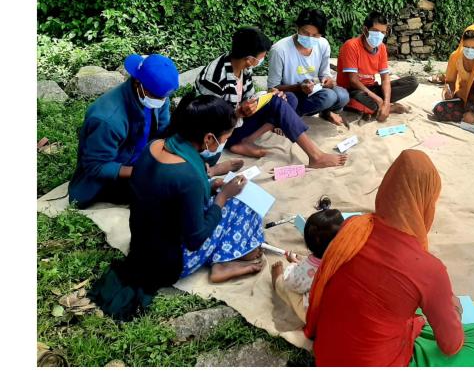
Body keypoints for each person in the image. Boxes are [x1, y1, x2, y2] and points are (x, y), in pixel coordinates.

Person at [303, 150, 474, 367]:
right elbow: (451, 345)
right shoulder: (429, 269)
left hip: (327, 356)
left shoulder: (353, 227)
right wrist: (455, 309)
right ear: (425, 200)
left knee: (412, 309)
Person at [89, 95, 267, 320]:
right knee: (241, 204)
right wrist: (222, 195)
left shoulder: (154, 146)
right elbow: (195, 239)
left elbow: (165, 193)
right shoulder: (188, 176)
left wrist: (210, 187)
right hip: (170, 263)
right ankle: (225, 261)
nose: (224, 143)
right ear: (209, 138)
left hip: (142, 246)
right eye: (225, 137)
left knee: (223, 199)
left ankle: (231, 254)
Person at [196, 26, 347, 168]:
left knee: (288, 98)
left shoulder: (242, 66)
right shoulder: (213, 78)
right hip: (221, 134)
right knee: (278, 102)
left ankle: (245, 141)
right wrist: (238, 113)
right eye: (262, 56)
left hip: (237, 119)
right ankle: (316, 156)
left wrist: (265, 97)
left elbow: (248, 97)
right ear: (249, 59)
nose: (263, 59)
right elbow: (211, 123)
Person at [69, 53, 179, 208]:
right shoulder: (107, 119)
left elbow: (163, 132)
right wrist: (143, 173)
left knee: (179, 177)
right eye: (156, 96)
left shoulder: (158, 97)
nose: (161, 101)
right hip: (109, 178)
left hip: (139, 158)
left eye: (164, 97)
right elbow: (96, 166)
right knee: (163, 193)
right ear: (137, 83)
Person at [267, 9, 350, 126]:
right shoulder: (280, 50)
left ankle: (325, 112)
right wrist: (299, 87)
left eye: (315, 35)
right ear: (297, 28)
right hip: (289, 95)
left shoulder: (323, 44)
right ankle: (292, 114)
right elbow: (272, 88)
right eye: (305, 33)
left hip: (312, 91)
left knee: (343, 96)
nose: (310, 38)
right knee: (329, 96)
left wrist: (328, 80)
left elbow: (324, 74)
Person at [336, 11, 419, 122]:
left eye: (383, 32)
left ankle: (383, 107)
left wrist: (385, 102)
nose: (379, 35)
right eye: (375, 31)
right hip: (353, 91)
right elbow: (353, 81)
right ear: (365, 30)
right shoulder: (351, 46)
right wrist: (379, 100)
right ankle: (388, 108)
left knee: (412, 81)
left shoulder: (382, 48)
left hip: (372, 89)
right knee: (366, 102)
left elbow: (385, 78)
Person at [270, 201, 344, 322]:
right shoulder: (350, 258)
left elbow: (293, 283)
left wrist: (293, 265)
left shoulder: (309, 268)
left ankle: (276, 282)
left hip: (317, 317)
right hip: (342, 312)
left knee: (286, 287)